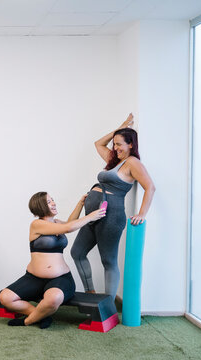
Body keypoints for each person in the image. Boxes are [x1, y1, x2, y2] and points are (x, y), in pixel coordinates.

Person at [70, 113, 155, 299]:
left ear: (130, 144)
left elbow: (150, 187)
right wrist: (120, 127)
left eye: (119, 144)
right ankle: (91, 293)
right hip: (93, 213)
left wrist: (142, 214)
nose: (115, 148)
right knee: (77, 252)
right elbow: (98, 144)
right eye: (114, 144)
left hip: (112, 215)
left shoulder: (132, 163)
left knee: (108, 260)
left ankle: (108, 303)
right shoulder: (114, 160)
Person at [0, 192, 106, 328]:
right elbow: (68, 228)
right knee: (5, 297)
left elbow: (69, 223)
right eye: (49, 202)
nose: (54, 203)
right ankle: (41, 315)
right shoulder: (37, 224)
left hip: (61, 278)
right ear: (40, 206)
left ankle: (27, 321)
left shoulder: (56, 223)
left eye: (53, 200)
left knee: (53, 298)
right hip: (33, 278)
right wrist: (90, 217)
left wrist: (80, 204)